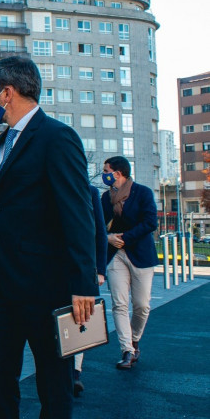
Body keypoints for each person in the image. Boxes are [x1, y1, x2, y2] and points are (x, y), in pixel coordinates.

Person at [0, 56, 98, 419]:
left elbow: (78, 213)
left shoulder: (57, 137)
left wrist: (84, 283)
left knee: (54, 386)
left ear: (7, 93)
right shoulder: (1, 144)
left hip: (46, 288)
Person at [101, 155, 158, 370]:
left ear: (118, 173)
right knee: (119, 304)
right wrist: (108, 238)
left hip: (140, 255)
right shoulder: (106, 198)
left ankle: (134, 340)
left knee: (142, 306)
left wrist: (125, 237)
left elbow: (150, 222)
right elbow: (99, 225)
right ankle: (127, 349)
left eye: (106, 170)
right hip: (116, 256)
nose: (104, 173)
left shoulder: (142, 193)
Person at [73, 185, 108, 396]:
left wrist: (100, 270)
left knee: (79, 318)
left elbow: (100, 233)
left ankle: (75, 371)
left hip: (82, 267)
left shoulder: (91, 192)